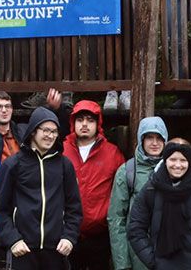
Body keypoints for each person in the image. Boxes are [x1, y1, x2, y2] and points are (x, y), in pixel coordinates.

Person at [0, 107, 83, 270]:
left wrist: (69, 237)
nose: (50, 136)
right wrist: (12, 239)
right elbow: (0, 210)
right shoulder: (13, 165)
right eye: (46, 130)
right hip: (22, 249)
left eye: (54, 132)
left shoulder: (64, 165)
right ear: (33, 131)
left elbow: (74, 208)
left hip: (56, 249)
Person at [126, 142, 191, 269]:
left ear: (189, 162)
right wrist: (152, 261)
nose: (178, 165)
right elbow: (136, 228)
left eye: (183, 160)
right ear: (165, 161)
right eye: (173, 159)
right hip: (163, 263)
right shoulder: (151, 189)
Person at [64, 98, 126, 270]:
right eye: (80, 120)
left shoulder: (112, 153)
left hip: (100, 235)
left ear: (98, 124)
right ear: (73, 123)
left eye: (90, 120)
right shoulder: (62, 151)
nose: (85, 124)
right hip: (67, 234)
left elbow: (122, 191)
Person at [110, 116, 168, 270]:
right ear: (141, 139)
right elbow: (116, 219)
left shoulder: (175, 167)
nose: (154, 143)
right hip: (136, 253)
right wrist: (122, 263)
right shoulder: (128, 171)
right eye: (149, 137)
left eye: (159, 138)